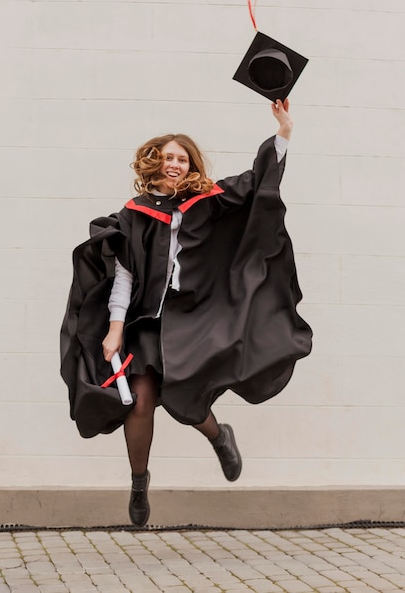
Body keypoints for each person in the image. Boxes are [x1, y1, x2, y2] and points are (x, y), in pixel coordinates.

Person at [60, 99, 312, 527]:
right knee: (141, 403)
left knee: (183, 399)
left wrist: (283, 131)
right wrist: (115, 329)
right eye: (168, 157)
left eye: (182, 158)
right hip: (145, 325)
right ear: (155, 163)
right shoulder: (132, 214)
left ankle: (219, 435)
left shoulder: (209, 201)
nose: (175, 163)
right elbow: (123, 277)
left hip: (196, 319)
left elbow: (256, 183)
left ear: (190, 165)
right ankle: (139, 483)